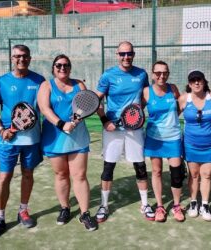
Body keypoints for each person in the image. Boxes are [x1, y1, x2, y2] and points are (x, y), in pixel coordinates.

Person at [0, 44, 45, 239]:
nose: (22, 59)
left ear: (30, 58)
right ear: (13, 58)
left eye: (25, 56)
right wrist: (1, 130)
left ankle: (23, 211)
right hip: (7, 140)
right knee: (5, 177)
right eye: (18, 56)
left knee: (28, 174)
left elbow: (46, 106)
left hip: (32, 139)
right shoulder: (1, 82)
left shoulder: (39, 81)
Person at [94, 41, 155, 223]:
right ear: (117, 54)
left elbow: (144, 98)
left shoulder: (141, 74)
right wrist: (105, 120)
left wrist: (135, 116)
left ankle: (144, 204)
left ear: (134, 54)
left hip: (134, 129)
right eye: (122, 54)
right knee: (108, 167)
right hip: (113, 129)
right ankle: (104, 205)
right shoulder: (108, 75)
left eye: (129, 54)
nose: (126, 57)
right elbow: (96, 100)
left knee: (140, 166)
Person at [37, 54, 97, 231]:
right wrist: (62, 124)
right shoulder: (46, 85)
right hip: (54, 139)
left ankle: (84, 213)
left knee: (79, 176)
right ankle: (65, 208)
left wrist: (76, 121)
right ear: (53, 67)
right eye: (59, 65)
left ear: (70, 68)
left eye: (66, 65)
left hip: (78, 138)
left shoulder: (79, 85)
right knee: (61, 175)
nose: (62, 68)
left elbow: (86, 106)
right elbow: (44, 109)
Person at [143, 61, 185, 222]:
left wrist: (171, 121)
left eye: (165, 72)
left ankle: (176, 205)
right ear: (153, 74)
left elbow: (180, 106)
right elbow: (136, 111)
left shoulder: (173, 89)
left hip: (173, 137)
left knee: (176, 173)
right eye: (158, 73)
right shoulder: (146, 92)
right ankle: (160, 206)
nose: (162, 76)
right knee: (157, 171)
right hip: (154, 138)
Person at [178, 70, 211, 222]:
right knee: (194, 175)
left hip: (210, 144)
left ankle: (205, 205)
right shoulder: (184, 99)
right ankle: (193, 203)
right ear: (189, 84)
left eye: (199, 80)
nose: (196, 83)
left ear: (204, 81)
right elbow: (172, 117)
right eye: (193, 80)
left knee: (207, 175)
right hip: (190, 144)